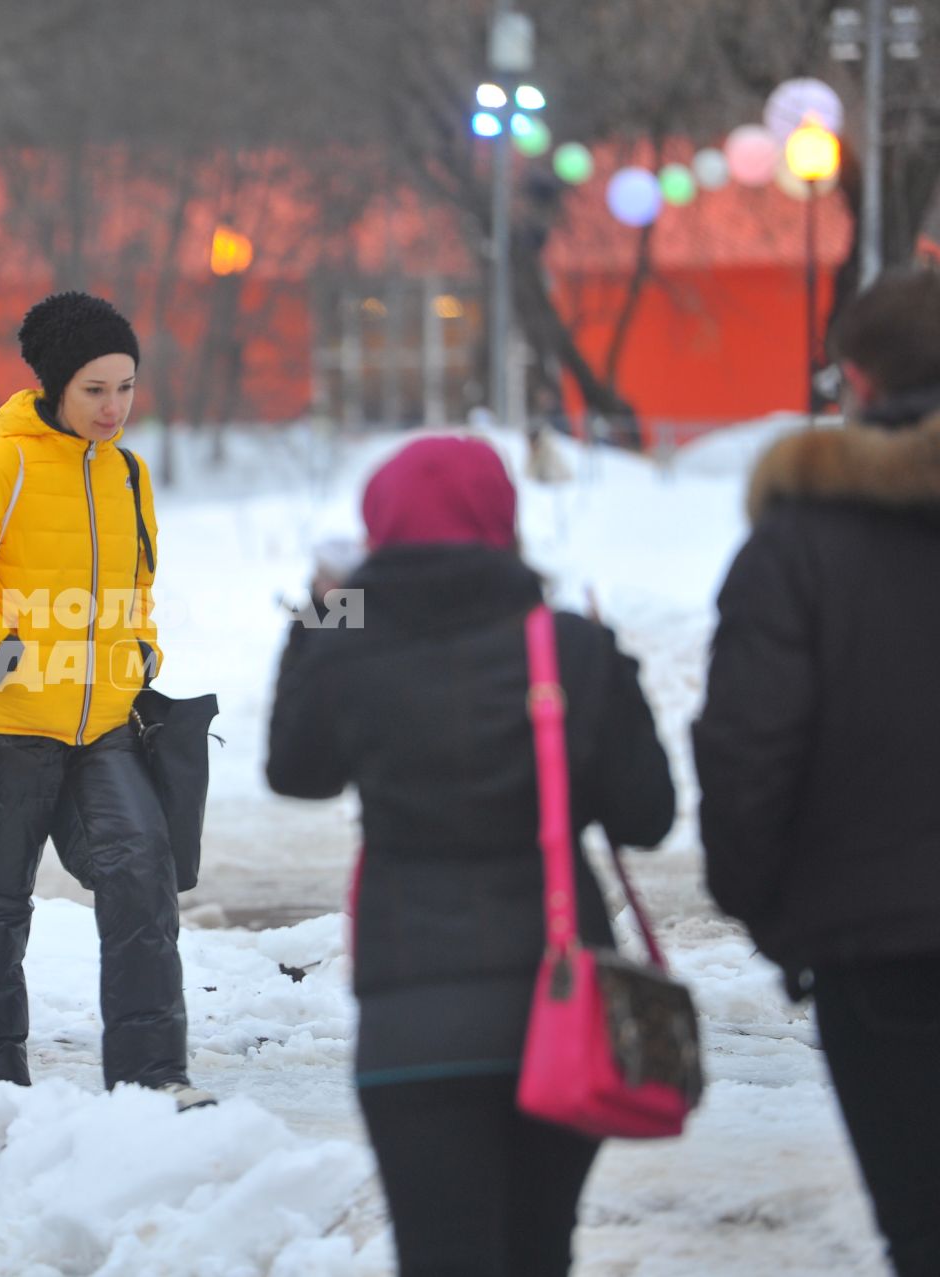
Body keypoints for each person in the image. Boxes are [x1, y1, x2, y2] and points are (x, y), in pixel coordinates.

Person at [266, 435, 675, 1276]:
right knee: (539, 1251)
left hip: (411, 1020)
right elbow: (648, 814)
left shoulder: (351, 643)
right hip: (561, 1003)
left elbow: (295, 770)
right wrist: (611, 673)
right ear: (504, 523)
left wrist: (320, 612)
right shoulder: (567, 646)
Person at [0, 291, 210, 1112]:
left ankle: (153, 1078)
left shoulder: (130, 473)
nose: (115, 408)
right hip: (1, 728)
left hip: (105, 726)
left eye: (127, 387)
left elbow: (135, 590)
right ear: (55, 386)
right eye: (95, 390)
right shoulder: (1, 465)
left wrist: (140, 655)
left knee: (142, 876)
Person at [693, 266, 940, 1276]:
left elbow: (749, 748)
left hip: (877, 948)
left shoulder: (798, 546)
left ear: (854, 381)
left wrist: (774, 911)